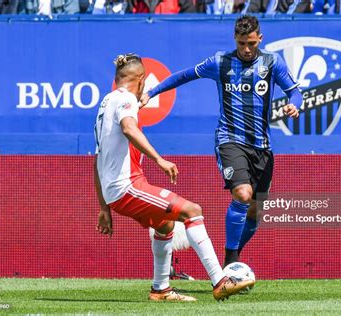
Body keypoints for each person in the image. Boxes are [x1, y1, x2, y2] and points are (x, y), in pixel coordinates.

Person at [141, 15, 302, 267]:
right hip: (230, 139)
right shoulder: (220, 62)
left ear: (260, 38)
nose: (247, 49)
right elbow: (184, 76)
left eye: (251, 43)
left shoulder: (272, 62)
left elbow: (295, 92)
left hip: (262, 146)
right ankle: (231, 261)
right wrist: (152, 91)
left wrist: (294, 105)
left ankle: (232, 255)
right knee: (242, 193)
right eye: (241, 44)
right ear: (234, 40)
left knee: (256, 210)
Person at [94, 53, 254, 302]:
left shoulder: (106, 104)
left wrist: (104, 206)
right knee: (192, 210)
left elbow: (98, 160)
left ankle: (161, 289)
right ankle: (220, 281)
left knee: (165, 224)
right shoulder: (126, 100)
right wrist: (159, 159)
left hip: (116, 190)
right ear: (142, 79)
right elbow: (128, 128)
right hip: (127, 187)